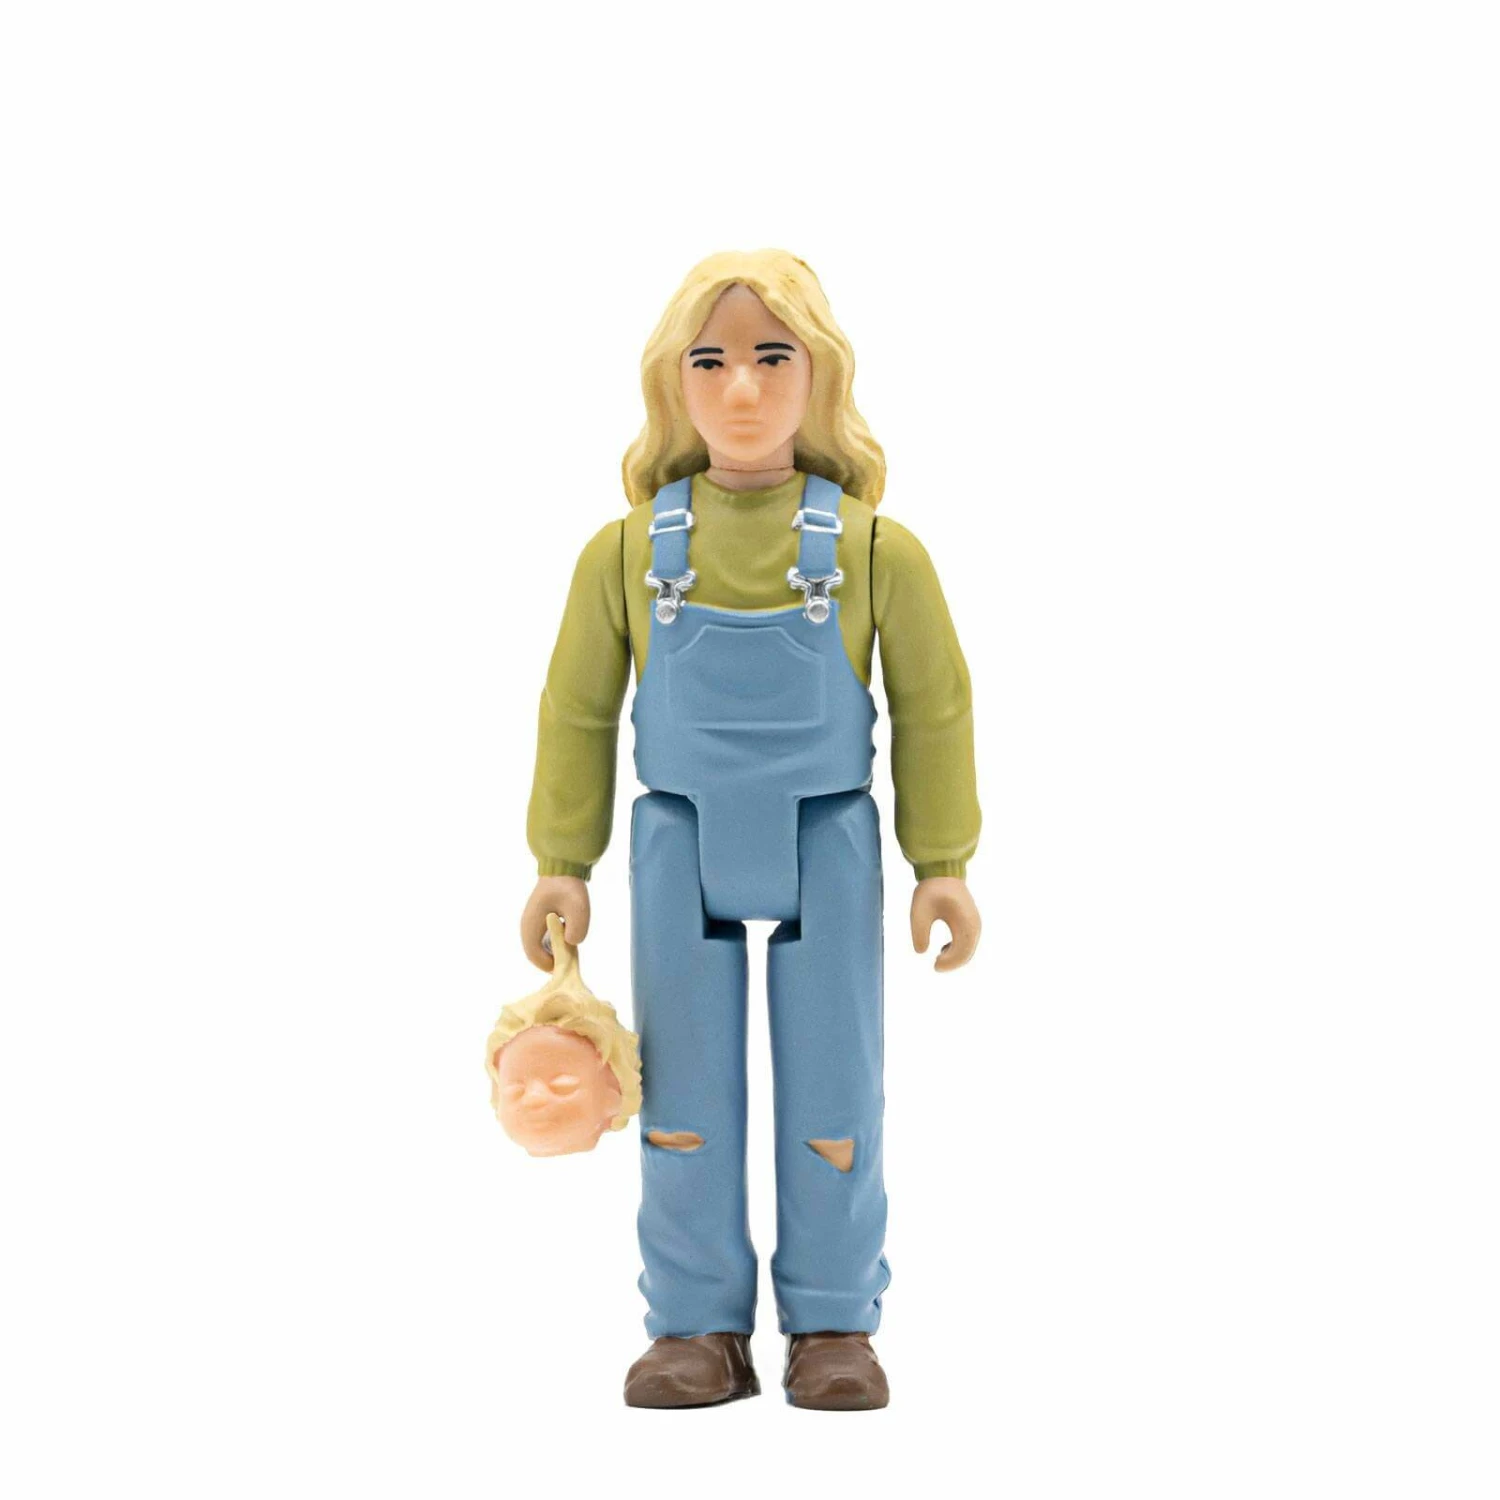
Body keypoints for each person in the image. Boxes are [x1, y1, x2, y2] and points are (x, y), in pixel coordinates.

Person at [520, 249, 981, 1410]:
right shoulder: (627, 554)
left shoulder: (875, 550)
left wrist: (942, 862)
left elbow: (934, 706)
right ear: (671, 383)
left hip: (830, 838)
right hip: (677, 841)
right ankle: (696, 1324)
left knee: (836, 1090)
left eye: (772, 358)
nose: (740, 388)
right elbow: (576, 708)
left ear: (818, 375)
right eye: (710, 361)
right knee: (682, 1097)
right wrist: (562, 862)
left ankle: (833, 1322)